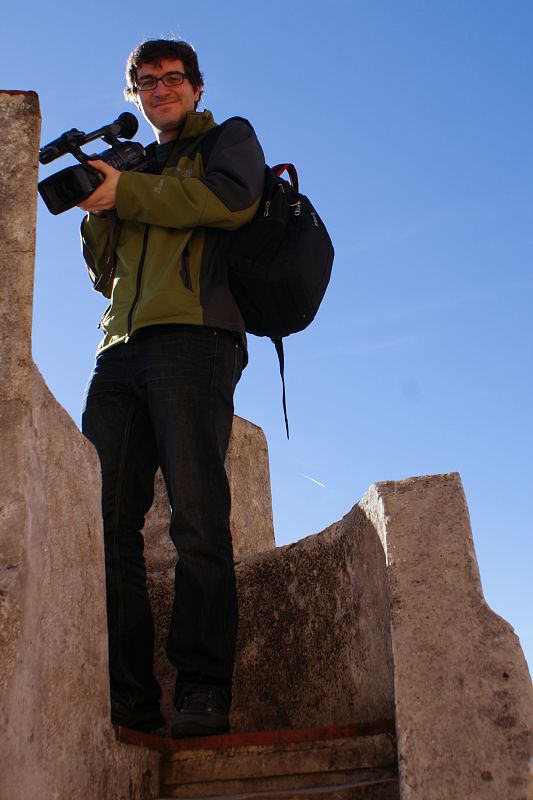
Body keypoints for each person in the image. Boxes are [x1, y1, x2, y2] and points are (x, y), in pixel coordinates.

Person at [79, 38, 264, 738]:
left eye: (172, 78)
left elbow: (231, 201)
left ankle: (202, 692)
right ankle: (128, 698)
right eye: (145, 82)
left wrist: (128, 191)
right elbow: (106, 276)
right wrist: (101, 213)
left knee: (195, 518)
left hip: (194, 340)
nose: (160, 89)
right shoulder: (136, 164)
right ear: (134, 94)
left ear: (195, 84)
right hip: (118, 351)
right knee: (101, 525)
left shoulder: (225, 139)